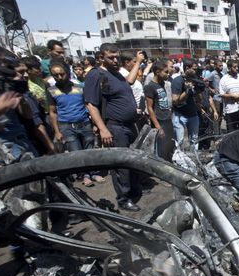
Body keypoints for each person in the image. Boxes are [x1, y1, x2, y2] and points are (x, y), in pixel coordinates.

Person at [84, 43, 143, 212]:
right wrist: (102, 129)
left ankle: (133, 190)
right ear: (101, 57)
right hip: (115, 128)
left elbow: (129, 82)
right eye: (111, 57)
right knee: (120, 166)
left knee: (131, 161)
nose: (116, 60)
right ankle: (123, 199)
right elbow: (91, 104)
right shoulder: (96, 75)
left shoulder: (115, 74)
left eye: (117, 56)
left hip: (128, 126)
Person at [47, 62, 103, 186]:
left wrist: (94, 124)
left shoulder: (80, 88)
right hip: (67, 127)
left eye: (62, 74)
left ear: (67, 73)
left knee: (89, 150)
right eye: (56, 75)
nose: (60, 77)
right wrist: (57, 131)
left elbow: (89, 106)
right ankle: (83, 176)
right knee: (76, 153)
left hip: (84, 124)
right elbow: (53, 112)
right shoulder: (51, 91)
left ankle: (94, 173)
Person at [145, 61, 175, 161]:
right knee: (161, 148)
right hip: (159, 121)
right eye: (165, 72)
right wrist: (158, 127)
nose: (168, 74)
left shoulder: (163, 84)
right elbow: (150, 108)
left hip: (167, 119)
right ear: (157, 72)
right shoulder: (150, 87)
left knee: (169, 146)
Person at [171, 58, 200, 147]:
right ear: (187, 68)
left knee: (195, 140)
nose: (196, 71)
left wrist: (198, 89)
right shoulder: (177, 81)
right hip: (180, 115)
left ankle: (194, 158)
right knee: (179, 141)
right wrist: (186, 90)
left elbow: (199, 99)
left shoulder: (194, 80)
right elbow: (175, 100)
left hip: (193, 114)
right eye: (194, 69)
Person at [219, 59, 239, 132]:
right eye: (235, 67)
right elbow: (221, 94)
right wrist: (232, 96)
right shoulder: (224, 79)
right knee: (232, 131)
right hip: (231, 109)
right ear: (229, 68)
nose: (237, 68)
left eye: (237, 67)